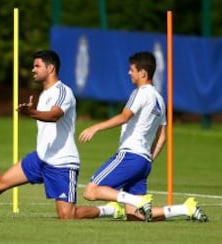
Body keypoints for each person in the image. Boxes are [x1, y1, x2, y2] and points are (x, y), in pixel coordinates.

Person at [0, 50, 108, 220]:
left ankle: (109, 210)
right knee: (1, 181)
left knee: (67, 215)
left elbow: (54, 115)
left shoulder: (63, 92)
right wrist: (32, 112)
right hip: (40, 158)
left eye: (37, 66)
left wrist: (32, 113)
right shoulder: (44, 93)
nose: (33, 70)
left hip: (62, 163)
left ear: (51, 68)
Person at [79, 51, 208, 222]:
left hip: (130, 155)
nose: (128, 73)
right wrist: (148, 159)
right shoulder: (160, 100)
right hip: (143, 161)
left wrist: (96, 127)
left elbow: (125, 116)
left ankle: (137, 200)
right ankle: (185, 208)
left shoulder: (140, 93)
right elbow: (163, 136)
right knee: (135, 215)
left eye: (132, 69)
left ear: (143, 73)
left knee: (91, 191)